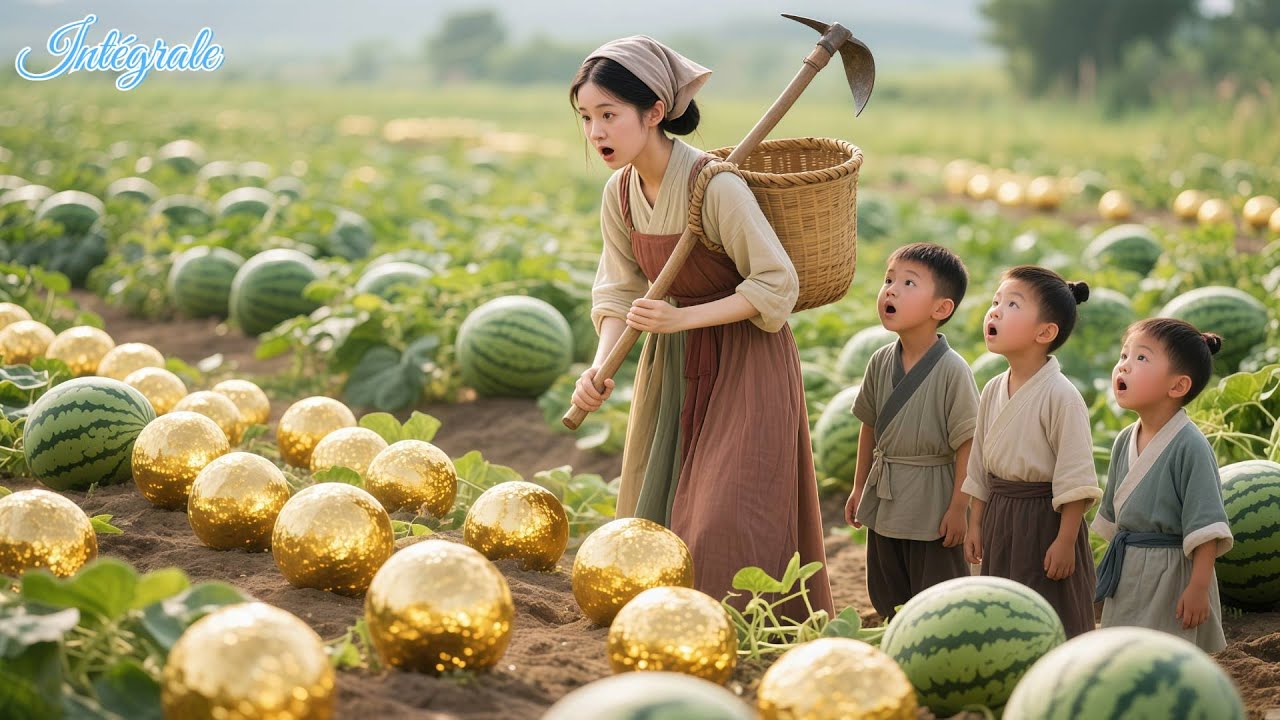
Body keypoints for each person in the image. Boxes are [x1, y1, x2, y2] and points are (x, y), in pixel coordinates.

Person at [568, 35, 834, 621]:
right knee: (662, 501)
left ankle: (736, 630)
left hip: (746, 359)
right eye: (587, 118)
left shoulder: (716, 187)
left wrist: (684, 316)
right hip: (673, 364)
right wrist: (599, 365)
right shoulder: (621, 194)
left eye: (609, 115)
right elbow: (618, 290)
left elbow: (775, 285)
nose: (597, 133)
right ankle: (664, 623)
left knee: (725, 514)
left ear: (655, 111)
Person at [961, 265, 1101, 637]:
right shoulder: (992, 387)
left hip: (1044, 521)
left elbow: (1075, 478)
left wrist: (1066, 541)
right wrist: (974, 523)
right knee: (1001, 612)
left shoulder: (1062, 396)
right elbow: (979, 465)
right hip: (999, 515)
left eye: (1012, 304)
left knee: (1048, 612)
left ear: (1045, 332)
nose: (994, 311)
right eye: (995, 301)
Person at [844, 242, 979, 619]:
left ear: (941, 309)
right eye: (888, 279)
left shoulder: (953, 371)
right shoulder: (880, 360)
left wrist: (958, 508)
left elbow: (968, 445)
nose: (890, 289)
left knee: (936, 591)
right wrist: (859, 486)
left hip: (932, 498)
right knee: (888, 582)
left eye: (908, 282)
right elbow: (869, 427)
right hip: (886, 491)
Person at [1092, 318, 1233, 651]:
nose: (1123, 366)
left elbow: (1207, 527)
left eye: (1141, 358)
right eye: (1124, 355)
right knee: (1124, 652)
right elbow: (1114, 519)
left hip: (1173, 573)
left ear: (1178, 386)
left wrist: (1198, 589)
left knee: (1169, 653)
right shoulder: (1124, 439)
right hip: (1129, 569)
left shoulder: (1191, 446)